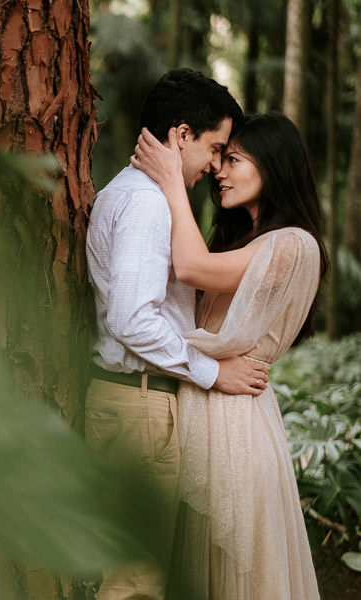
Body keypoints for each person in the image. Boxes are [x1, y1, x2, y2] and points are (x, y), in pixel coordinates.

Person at [84, 68, 269, 600]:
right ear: (181, 135)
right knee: (135, 580)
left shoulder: (137, 194)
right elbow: (131, 318)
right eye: (214, 148)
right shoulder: (146, 203)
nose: (216, 166)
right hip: (140, 408)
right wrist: (215, 373)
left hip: (134, 405)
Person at [131, 112, 327, 599]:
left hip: (236, 422)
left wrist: (172, 180)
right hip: (209, 400)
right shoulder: (247, 242)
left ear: (274, 166)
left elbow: (192, 267)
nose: (219, 169)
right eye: (220, 158)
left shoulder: (294, 245)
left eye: (233, 159)